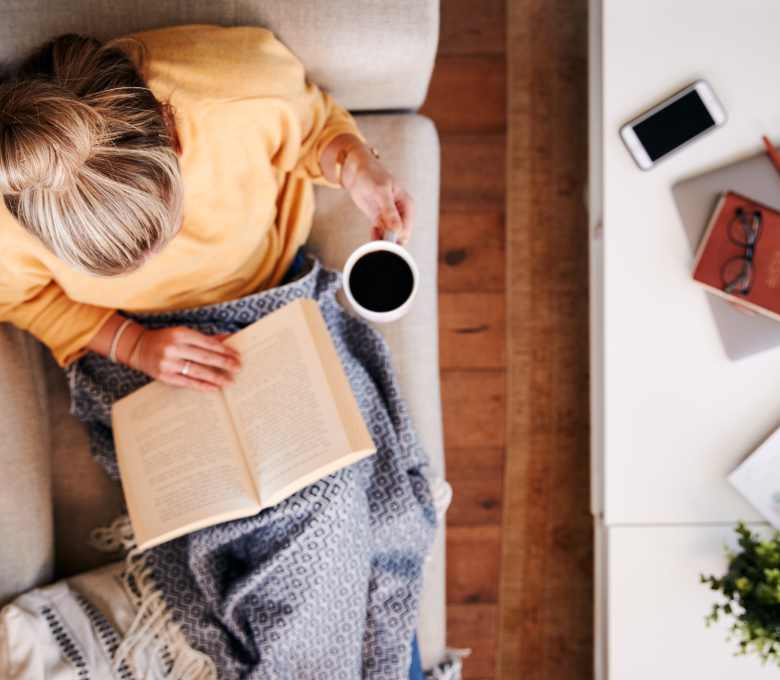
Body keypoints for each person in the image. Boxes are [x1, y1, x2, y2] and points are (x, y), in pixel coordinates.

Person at [0, 24, 415, 392]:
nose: (155, 261)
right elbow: (23, 300)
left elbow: (313, 129)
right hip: (135, 337)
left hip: (273, 287)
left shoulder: (239, 88)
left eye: (172, 222)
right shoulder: (10, 210)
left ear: (171, 131)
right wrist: (134, 344)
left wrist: (356, 163)